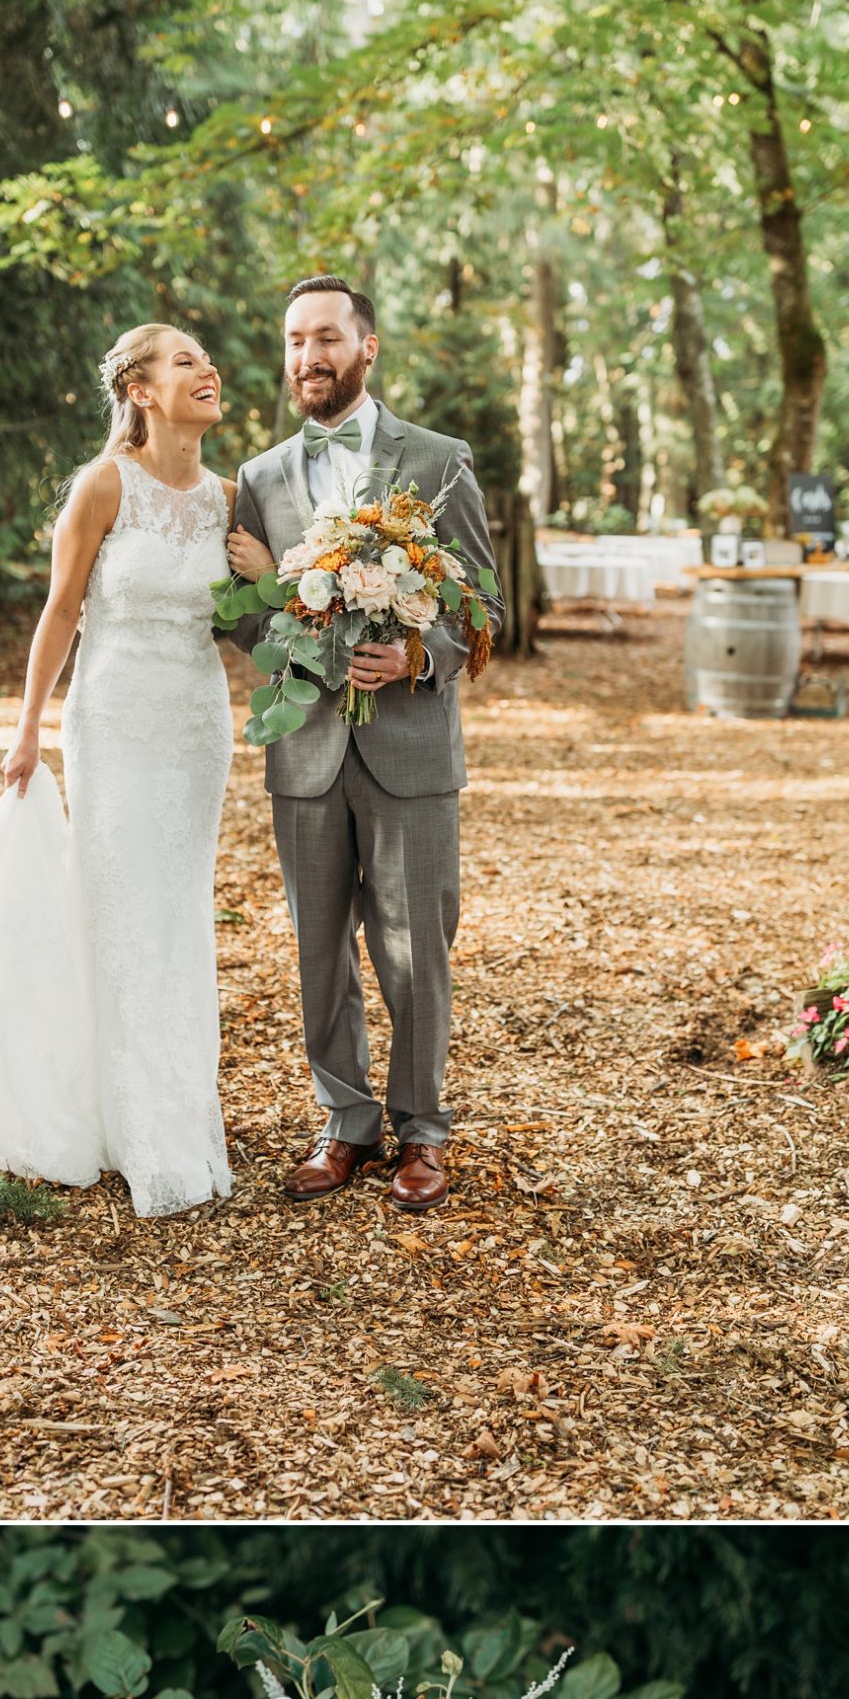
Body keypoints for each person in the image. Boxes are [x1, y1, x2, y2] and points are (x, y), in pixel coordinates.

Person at [0, 325, 235, 1219]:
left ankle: (176, 1111)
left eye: (205, 359)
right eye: (184, 360)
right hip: (114, 721)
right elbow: (61, 609)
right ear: (140, 390)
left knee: (178, 915)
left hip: (197, 726)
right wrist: (26, 728)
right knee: (121, 911)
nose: (207, 369)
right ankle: (123, 1121)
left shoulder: (231, 498)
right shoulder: (103, 484)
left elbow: (244, 622)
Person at [222, 273, 504, 1212]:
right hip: (304, 749)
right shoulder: (258, 479)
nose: (309, 356)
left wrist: (420, 654)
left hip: (410, 749)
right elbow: (243, 621)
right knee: (319, 950)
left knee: (417, 949)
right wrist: (280, 599)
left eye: (327, 338)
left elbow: (485, 604)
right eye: (296, 340)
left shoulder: (439, 461)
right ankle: (344, 1122)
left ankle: (422, 1131)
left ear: (366, 347)